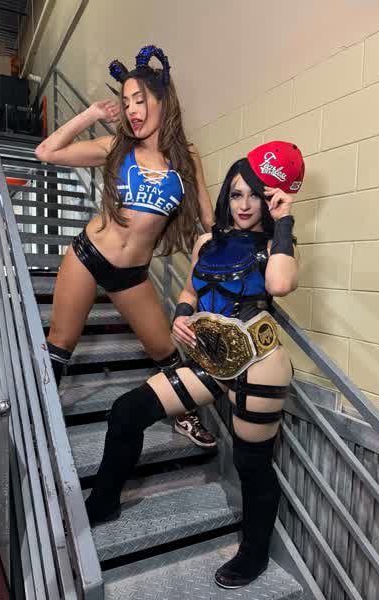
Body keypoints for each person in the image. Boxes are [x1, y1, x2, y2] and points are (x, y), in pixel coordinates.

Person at [84, 140, 304, 589]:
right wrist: (182, 316)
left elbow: (280, 285)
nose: (245, 204)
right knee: (127, 411)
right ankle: (103, 502)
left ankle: (254, 554)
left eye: (256, 195)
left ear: (270, 198)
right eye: (237, 194)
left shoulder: (277, 245)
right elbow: (189, 291)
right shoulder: (208, 241)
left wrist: (284, 220)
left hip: (259, 364)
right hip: (211, 360)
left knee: (251, 464)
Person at [35, 45, 216, 447]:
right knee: (60, 344)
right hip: (88, 256)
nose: (131, 109)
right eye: (126, 102)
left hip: (132, 273)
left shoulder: (187, 157)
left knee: (165, 349)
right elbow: (46, 151)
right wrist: (92, 115)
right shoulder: (117, 147)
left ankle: (183, 413)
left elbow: (208, 219)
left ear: (162, 100)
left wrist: (237, 248)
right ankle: (37, 413)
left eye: (139, 99)